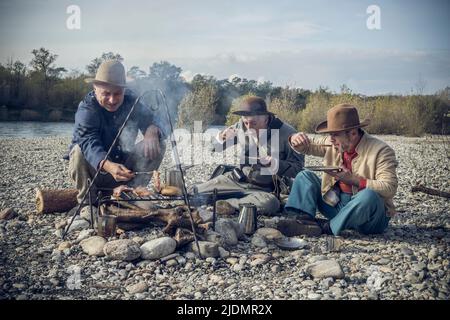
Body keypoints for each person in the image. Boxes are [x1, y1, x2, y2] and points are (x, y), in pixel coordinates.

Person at [281, 103, 398, 236]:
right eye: (330, 135)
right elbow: (308, 145)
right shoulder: (334, 143)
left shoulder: (381, 151)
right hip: (336, 204)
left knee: (369, 195)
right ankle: (302, 222)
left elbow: (390, 187)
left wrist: (353, 179)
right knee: (304, 176)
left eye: (335, 135)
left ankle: (327, 228)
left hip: (368, 217)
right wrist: (294, 138)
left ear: (353, 133)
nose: (331, 139)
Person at [67, 60, 168, 213]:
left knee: (159, 143)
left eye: (117, 94)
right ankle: (88, 204)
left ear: (123, 91)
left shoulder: (132, 101)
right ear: (95, 89)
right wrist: (108, 165)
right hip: (97, 173)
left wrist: (153, 129)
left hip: (126, 171)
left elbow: (161, 121)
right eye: (106, 94)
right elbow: (88, 142)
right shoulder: (86, 109)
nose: (112, 100)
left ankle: (131, 194)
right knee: (78, 150)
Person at [192, 96, 304, 215]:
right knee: (192, 192)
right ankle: (222, 202)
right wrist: (221, 138)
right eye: (246, 123)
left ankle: (224, 204)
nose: (249, 127)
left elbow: (298, 170)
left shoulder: (288, 133)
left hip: (262, 190)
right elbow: (214, 148)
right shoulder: (241, 126)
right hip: (235, 180)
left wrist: (275, 164)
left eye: (253, 123)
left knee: (271, 204)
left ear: (266, 119)